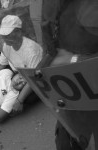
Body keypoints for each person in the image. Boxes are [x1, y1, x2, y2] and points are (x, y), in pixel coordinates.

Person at [41, 0, 98, 149]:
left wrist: (74, 60)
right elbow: (50, 46)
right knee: (65, 144)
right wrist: (41, 71)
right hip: (72, 99)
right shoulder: (50, 4)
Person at [0, 15, 43, 113]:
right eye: (4, 35)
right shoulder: (8, 46)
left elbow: (33, 77)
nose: (5, 38)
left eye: (8, 35)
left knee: (25, 100)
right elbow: (0, 64)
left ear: (18, 32)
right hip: (20, 75)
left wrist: (19, 101)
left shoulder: (31, 50)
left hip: (37, 77)